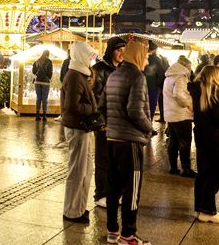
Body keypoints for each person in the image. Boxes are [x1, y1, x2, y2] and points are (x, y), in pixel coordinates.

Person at [105, 40, 152, 245]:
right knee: (132, 190)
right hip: (130, 141)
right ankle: (129, 234)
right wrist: (149, 127)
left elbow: (102, 106)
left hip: (112, 139)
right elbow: (135, 110)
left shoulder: (114, 74)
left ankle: (112, 230)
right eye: (146, 56)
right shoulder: (137, 77)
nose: (148, 60)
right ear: (139, 55)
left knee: (114, 188)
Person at [189, 65, 219, 223]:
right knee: (217, 174)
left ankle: (199, 209)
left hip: (202, 137)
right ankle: (208, 211)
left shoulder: (198, 91)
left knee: (203, 174)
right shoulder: (215, 93)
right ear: (215, 77)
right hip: (216, 139)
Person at [61, 41, 98, 224]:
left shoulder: (81, 73)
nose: (91, 60)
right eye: (89, 56)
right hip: (77, 127)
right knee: (77, 170)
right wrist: (92, 107)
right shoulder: (75, 76)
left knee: (85, 170)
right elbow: (71, 106)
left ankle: (79, 208)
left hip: (83, 127)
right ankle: (71, 211)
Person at [91, 36, 126, 208]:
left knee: (116, 160)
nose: (121, 53)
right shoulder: (99, 69)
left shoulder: (123, 69)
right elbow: (96, 98)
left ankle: (113, 192)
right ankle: (101, 194)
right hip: (105, 123)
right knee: (103, 159)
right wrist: (102, 121)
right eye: (119, 50)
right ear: (111, 50)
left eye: (123, 50)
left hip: (119, 122)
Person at [163, 56, 196, 177]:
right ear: (186, 66)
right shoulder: (181, 77)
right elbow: (179, 95)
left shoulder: (169, 76)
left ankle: (172, 166)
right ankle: (185, 168)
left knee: (173, 142)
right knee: (185, 142)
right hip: (181, 114)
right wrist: (189, 105)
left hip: (171, 114)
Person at [144, 41, 165, 129]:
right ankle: (149, 125)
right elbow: (161, 73)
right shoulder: (157, 59)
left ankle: (144, 125)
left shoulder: (142, 57)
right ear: (155, 49)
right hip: (153, 86)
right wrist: (161, 86)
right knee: (151, 106)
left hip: (142, 85)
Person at [32, 49, 53, 121]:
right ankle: (44, 115)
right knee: (44, 98)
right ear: (48, 54)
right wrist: (48, 78)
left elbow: (33, 71)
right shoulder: (49, 61)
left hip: (37, 82)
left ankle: (37, 114)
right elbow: (50, 72)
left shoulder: (37, 61)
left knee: (38, 98)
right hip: (45, 82)